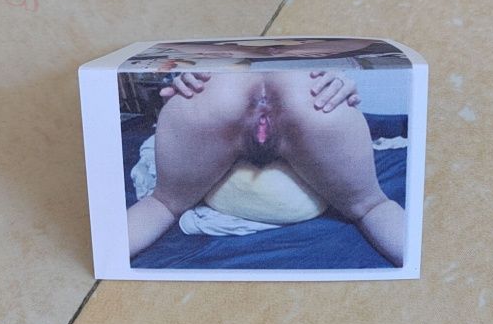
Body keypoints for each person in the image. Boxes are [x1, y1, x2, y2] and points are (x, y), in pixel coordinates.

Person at [127, 69, 404, 266]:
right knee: (372, 207)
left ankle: (103, 261)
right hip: (308, 89)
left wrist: (189, 74)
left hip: (216, 86)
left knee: (162, 205)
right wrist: (337, 77)